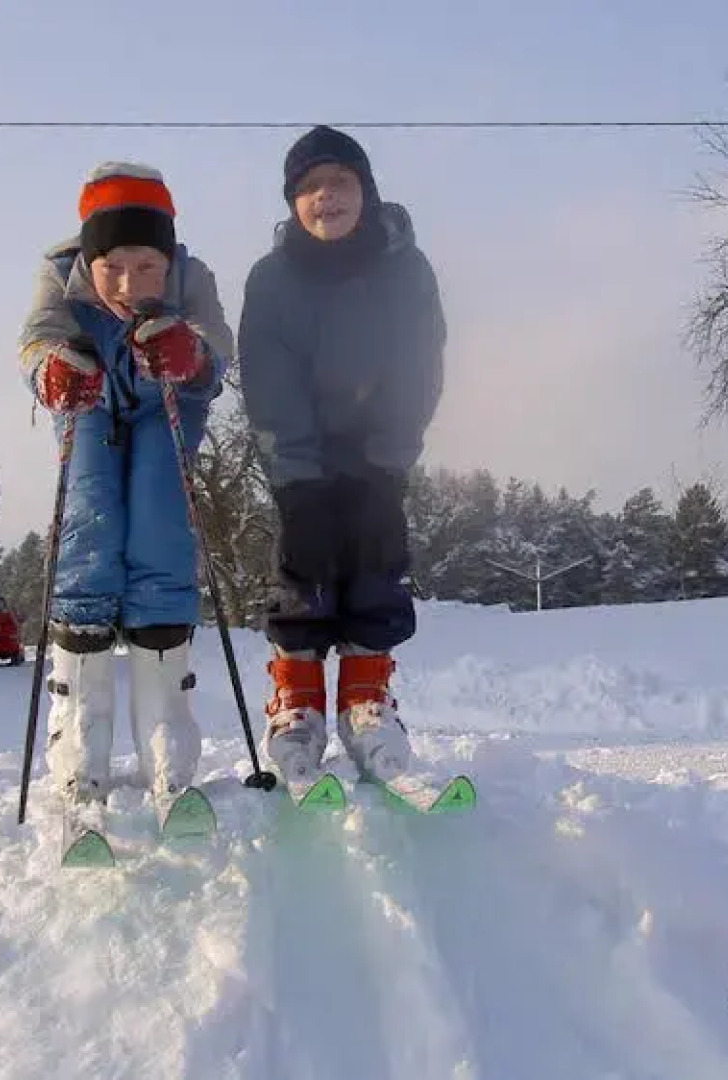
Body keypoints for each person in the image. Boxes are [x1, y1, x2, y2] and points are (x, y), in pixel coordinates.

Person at [17, 161, 232, 806]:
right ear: (90, 257)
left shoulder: (194, 275)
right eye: (112, 266)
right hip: (90, 406)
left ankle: (168, 733)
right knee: (90, 533)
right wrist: (52, 370)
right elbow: (36, 340)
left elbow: (218, 342)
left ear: (167, 259)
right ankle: (78, 739)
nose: (129, 284)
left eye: (147, 268)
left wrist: (192, 352)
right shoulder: (59, 274)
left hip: (165, 401)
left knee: (161, 533)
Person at [237, 126, 447, 783]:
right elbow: (268, 378)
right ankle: (296, 703)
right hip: (302, 453)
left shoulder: (403, 268)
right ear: (292, 203)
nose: (326, 197)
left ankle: (365, 699)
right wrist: (296, 477)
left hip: (377, 452)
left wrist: (387, 459)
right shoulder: (272, 279)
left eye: (340, 184)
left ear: (366, 190)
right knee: (303, 570)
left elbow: (418, 365)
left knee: (377, 568)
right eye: (310, 188)